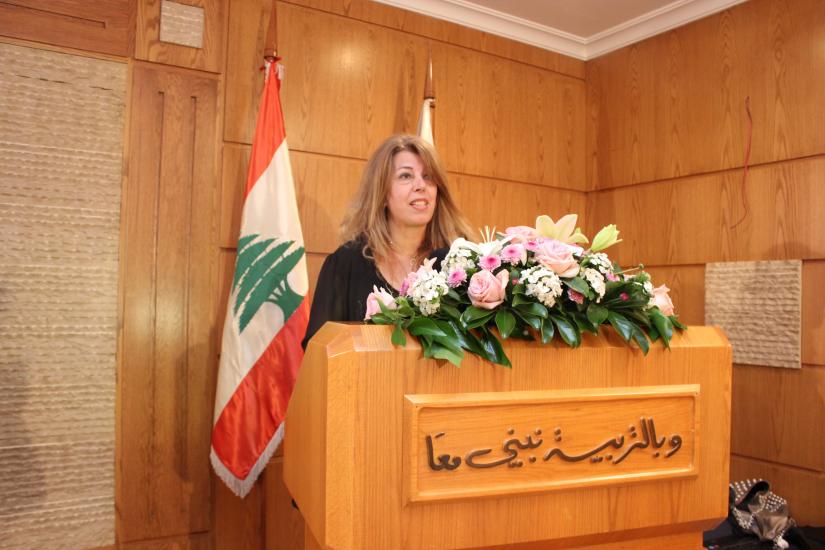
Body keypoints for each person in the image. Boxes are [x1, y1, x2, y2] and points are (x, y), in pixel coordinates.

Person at [302, 134, 473, 348]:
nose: (421, 185)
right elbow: (319, 350)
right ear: (382, 193)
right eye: (405, 176)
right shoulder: (345, 265)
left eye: (428, 176)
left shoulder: (457, 266)